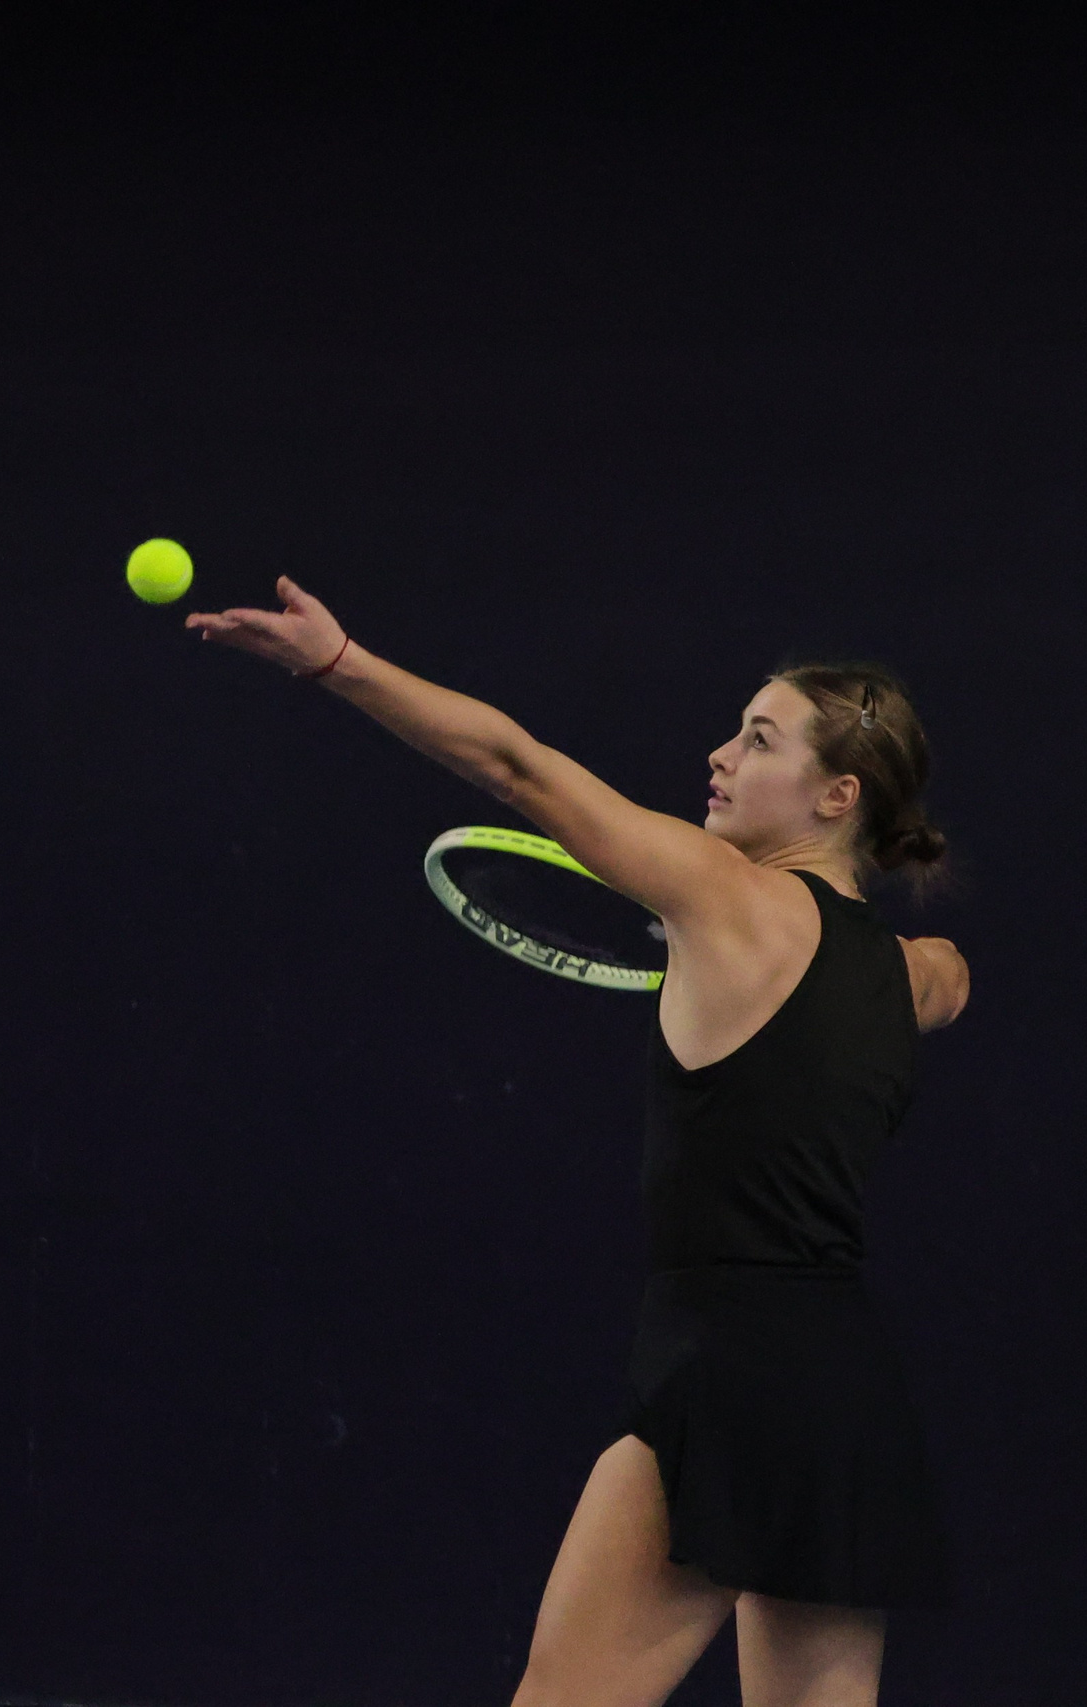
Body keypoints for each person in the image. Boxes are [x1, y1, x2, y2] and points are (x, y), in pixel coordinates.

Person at [189, 578, 969, 1707]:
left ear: (835, 794)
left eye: (756, 740)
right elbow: (939, 980)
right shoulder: (920, 974)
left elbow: (516, 767)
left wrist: (337, 660)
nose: (719, 754)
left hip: (723, 1375)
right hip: (844, 1394)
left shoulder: (722, 894)